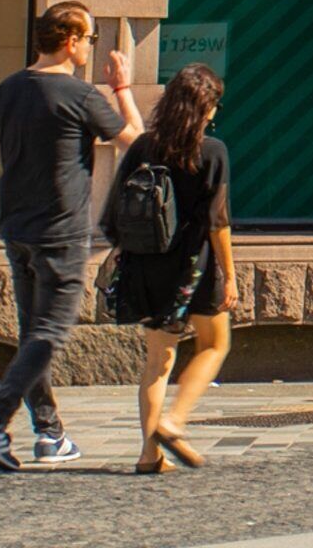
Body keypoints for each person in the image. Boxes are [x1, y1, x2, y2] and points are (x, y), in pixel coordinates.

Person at [0, 0, 140, 472]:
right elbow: (137, 139)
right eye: (89, 39)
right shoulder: (80, 95)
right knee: (51, 331)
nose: (90, 47)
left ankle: (49, 433)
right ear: (70, 41)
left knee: (34, 333)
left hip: (17, 230)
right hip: (62, 232)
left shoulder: (7, 91)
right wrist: (123, 87)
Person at [97, 66, 238, 471]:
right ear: (205, 106)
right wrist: (230, 275)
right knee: (215, 344)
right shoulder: (212, 151)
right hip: (195, 267)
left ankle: (148, 453)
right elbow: (218, 222)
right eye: (214, 104)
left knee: (157, 360)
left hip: (146, 265)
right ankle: (174, 422)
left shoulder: (143, 147)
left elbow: (113, 215)